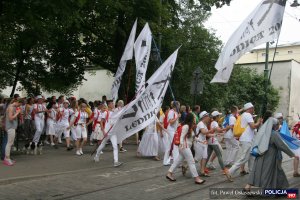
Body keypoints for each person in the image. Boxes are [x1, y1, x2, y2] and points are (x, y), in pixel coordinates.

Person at [244, 118, 295, 191]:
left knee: (257, 171)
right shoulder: (274, 134)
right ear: (274, 125)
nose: (278, 125)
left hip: (260, 155)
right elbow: (281, 145)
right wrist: (292, 154)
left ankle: (247, 187)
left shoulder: (263, 132)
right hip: (269, 157)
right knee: (268, 174)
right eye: (278, 124)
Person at [166, 113, 206, 185]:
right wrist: (181, 144)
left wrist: (202, 141)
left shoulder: (189, 126)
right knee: (191, 162)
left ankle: (169, 173)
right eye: (193, 117)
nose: (195, 118)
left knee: (178, 161)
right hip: (185, 147)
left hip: (184, 147)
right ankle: (197, 178)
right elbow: (181, 136)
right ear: (191, 118)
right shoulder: (186, 126)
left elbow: (193, 137)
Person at [228, 103, 263, 180]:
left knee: (252, 157)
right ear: (249, 108)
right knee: (244, 158)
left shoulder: (244, 115)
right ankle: (230, 171)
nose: (253, 110)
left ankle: (253, 174)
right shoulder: (248, 115)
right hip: (247, 140)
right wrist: (259, 122)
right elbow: (253, 126)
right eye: (253, 108)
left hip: (246, 139)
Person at [94, 100, 122, 167]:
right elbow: (101, 122)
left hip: (113, 132)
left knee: (115, 146)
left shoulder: (115, 112)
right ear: (109, 105)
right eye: (112, 103)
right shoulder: (106, 112)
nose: (113, 104)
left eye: (113, 103)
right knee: (102, 145)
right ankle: (97, 155)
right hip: (107, 132)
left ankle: (116, 161)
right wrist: (103, 131)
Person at [206, 111, 231, 180]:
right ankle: (224, 169)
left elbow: (217, 131)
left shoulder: (212, 122)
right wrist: (227, 128)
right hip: (213, 141)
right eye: (218, 116)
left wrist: (222, 131)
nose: (219, 117)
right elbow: (219, 130)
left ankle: (204, 167)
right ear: (216, 117)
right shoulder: (214, 122)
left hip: (210, 140)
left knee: (208, 155)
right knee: (219, 154)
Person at [194, 111, 214, 176]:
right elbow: (203, 132)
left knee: (204, 157)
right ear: (204, 117)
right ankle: (185, 165)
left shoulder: (204, 124)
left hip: (204, 142)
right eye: (208, 116)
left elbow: (206, 134)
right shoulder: (200, 123)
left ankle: (202, 171)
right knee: (197, 158)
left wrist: (215, 134)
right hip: (199, 142)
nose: (209, 118)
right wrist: (212, 130)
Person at [3, 98, 22, 166]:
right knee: (9, 143)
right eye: (19, 104)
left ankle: (7, 158)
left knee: (10, 143)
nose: (19, 106)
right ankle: (7, 159)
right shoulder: (11, 107)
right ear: (16, 102)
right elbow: (11, 118)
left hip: (11, 127)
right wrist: (17, 113)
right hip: (10, 127)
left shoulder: (11, 107)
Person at [163, 101, 180, 166]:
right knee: (175, 146)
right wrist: (177, 117)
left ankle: (165, 161)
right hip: (171, 130)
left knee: (169, 146)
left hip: (174, 130)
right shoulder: (171, 112)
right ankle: (176, 162)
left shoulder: (175, 112)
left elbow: (175, 123)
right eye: (178, 105)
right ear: (176, 106)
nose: (179, 107)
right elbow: (170, 122)